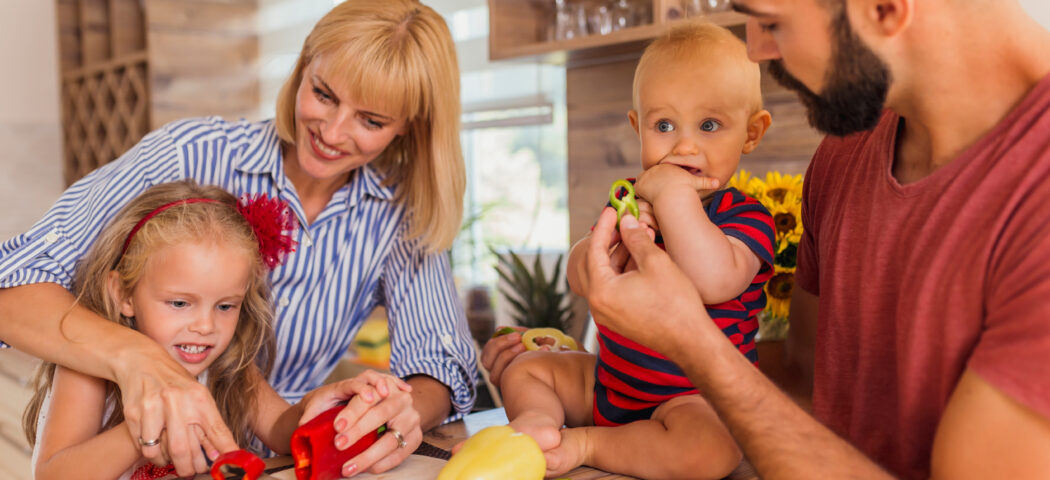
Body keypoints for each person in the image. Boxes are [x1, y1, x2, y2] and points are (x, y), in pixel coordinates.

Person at [0, 1, 476, 477]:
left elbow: (438, 363)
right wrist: (145, 366)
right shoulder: (190, 153)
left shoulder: (400, 214)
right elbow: (11, 285)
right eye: (324, 94)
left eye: (371, 121)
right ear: (303, 64)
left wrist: (346, 411)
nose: (332, 132)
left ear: (410, 124)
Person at [578, 0, 1050, 479]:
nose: (757, 49)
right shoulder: (846, 156)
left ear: (884, 8)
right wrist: (618, 366)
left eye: (771, 21)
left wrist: (691, 341)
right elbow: (807, 377)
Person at [496, 21, 775, 479]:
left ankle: (586, 443)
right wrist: (598, 250)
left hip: (692, 400)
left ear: (751, 132)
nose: (684, 144)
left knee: (713, 451)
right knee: (526, 369)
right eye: (663, 124)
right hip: (608, 383)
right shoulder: (628, 203)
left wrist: (673, 195)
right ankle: (539, 426)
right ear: (636, 127)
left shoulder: (746, 217)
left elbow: (713, 280)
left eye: (709, 125)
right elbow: (581, 276)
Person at [24, 180, 409, 480]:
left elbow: (280, 429)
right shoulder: (89, 368)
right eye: (179, 303)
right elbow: (54, 473)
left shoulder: (228, 362)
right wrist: (147, 426)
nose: (206, 326)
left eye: (226, 306)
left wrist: (324, 406)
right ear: (123, 293)